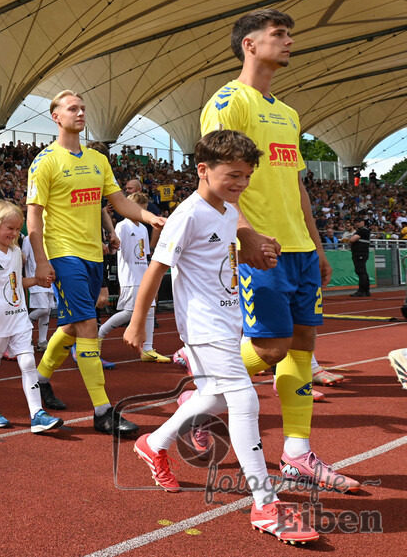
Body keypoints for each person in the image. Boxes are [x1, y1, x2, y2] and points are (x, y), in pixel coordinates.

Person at [124, 129, 318, 544]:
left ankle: (153, 443)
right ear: (203, 170)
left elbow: (223, 257)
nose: (241, 183)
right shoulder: (188, 214)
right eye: (233, 175)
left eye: (247, 176)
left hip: (229, 321)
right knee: (245, 399)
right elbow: (156, 269)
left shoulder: (229, 212)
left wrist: (259, 255)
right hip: (202, 324)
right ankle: (265, 503)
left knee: (213, 396)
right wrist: (138, 322)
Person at [200, 8, 360, 492]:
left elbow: (297, 185)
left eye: (289, 34)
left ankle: (297, 453)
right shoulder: (229, 102)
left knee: (303, 345)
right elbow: (215, 179)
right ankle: (204, 382)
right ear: (249, 44)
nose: (289, 41)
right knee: (271, 348)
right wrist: (245, 233)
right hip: (261, 245)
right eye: (279, 34)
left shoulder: (288, 113)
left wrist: (317, 245)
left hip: (300, 247)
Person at [26, 90, 165, 436]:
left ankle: (40, 379)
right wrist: (41, 260)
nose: (80, 113)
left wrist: (148, 216)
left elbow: (118, 201)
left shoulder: (98, 160)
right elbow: (34, 217)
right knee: (88, 326)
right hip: (63, 253)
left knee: (72, 326)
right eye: (72, 108)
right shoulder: (45, 162)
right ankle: (103, 412)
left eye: (83, 108)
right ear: (56, 117)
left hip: (93, 254)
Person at [0, 200, 64, 433]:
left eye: (17, 229)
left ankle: (37, 413)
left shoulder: (16, 252)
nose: (14, 234)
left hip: (19, 318)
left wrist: (36, 281)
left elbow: (15, 282)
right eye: (10, 228)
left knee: (28, 362)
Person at [97, 192, 169, 362]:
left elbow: (143, 254)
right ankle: (99, 334)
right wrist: (112, 246)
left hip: (143, 274)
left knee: (150, 309)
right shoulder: (123, 227)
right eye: (139, 209)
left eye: (144, 210)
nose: (141, 213)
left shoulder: (143, 228)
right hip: (129, 276)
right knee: (130, 312)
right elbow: (115, 250)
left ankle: (148, 349)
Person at [22, 233, 55, 352]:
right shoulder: (28, 239)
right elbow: (23, 258)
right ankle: (24, 325)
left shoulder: (49, 236)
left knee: (47, 311)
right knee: (43, 309)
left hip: (49, 280)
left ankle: (42, 341)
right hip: (36, 280)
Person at [348, 215, 371, 297]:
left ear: (363, 222)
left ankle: (362, 291)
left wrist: (349, 240)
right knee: (363, 271)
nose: (357, 224)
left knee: (361, 271)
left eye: (359, 222)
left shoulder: (362, 230)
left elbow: (352, 240)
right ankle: (366, 290)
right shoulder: (363, 230)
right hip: (361, 253)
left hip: (360, 254)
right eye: (356, 222)